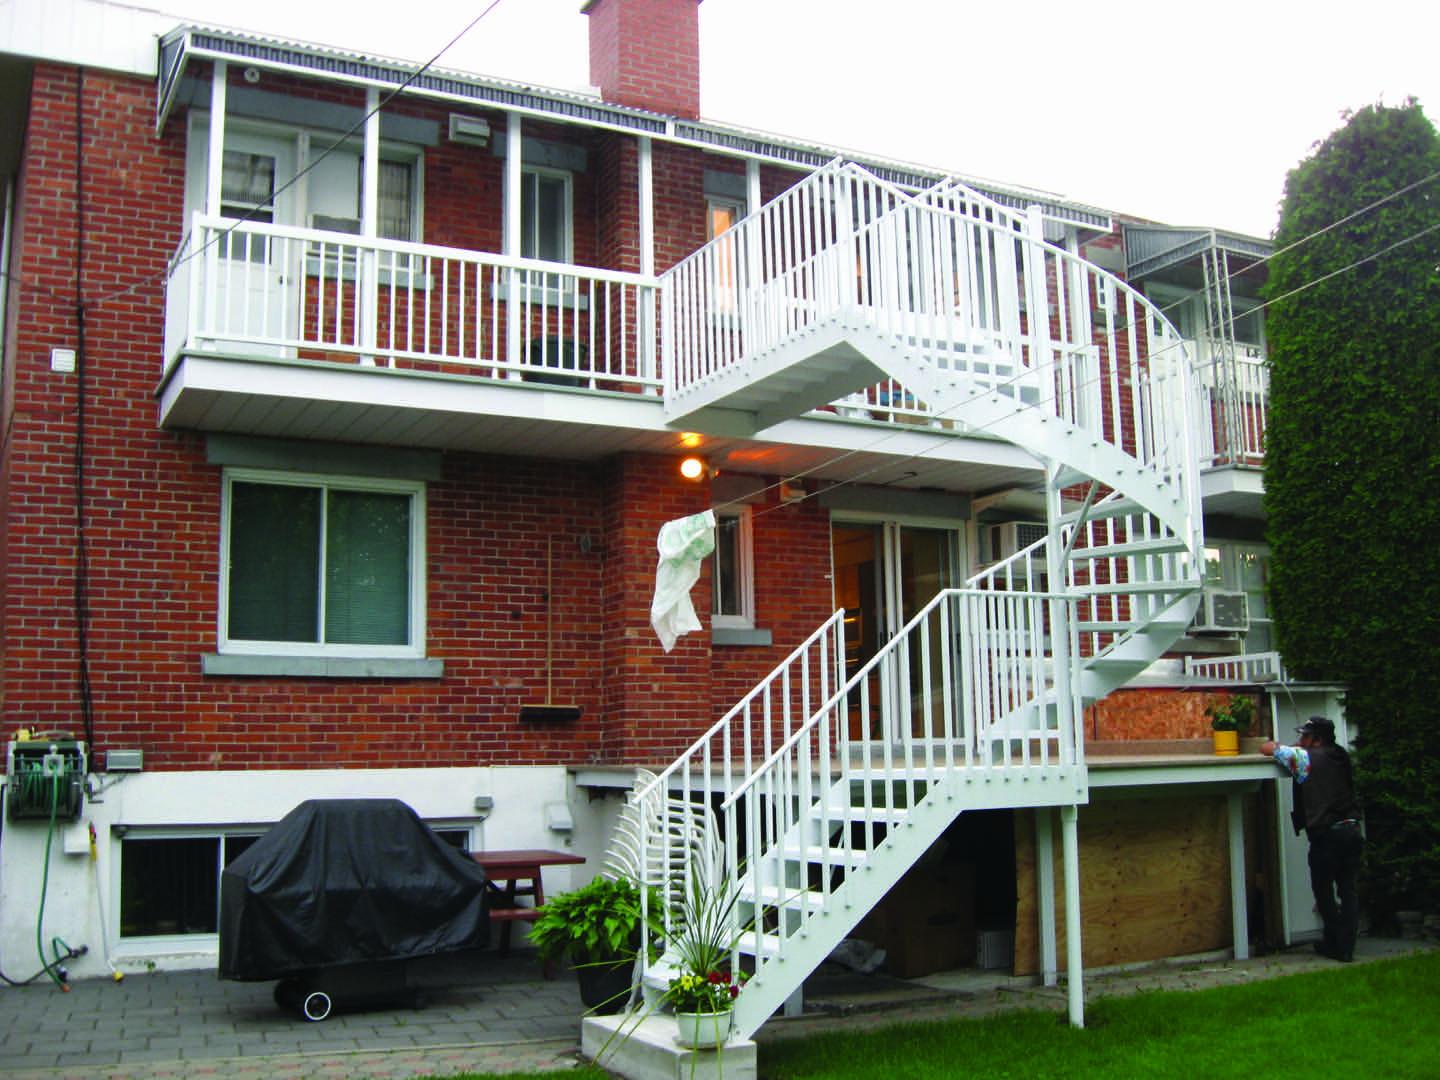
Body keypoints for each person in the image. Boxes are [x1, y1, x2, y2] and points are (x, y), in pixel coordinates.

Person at [1261, 717, 1363, 962]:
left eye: (1305, 736)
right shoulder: (1341, 755)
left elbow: (1267, 749)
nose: (1300, 740)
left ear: (1316, 740)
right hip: (1352, 830)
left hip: (1327, 835)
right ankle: (1347, 944)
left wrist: (1278, 744)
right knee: (1348, 890)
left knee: (1323, 890)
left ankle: (1335, 944)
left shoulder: (1304, 758)